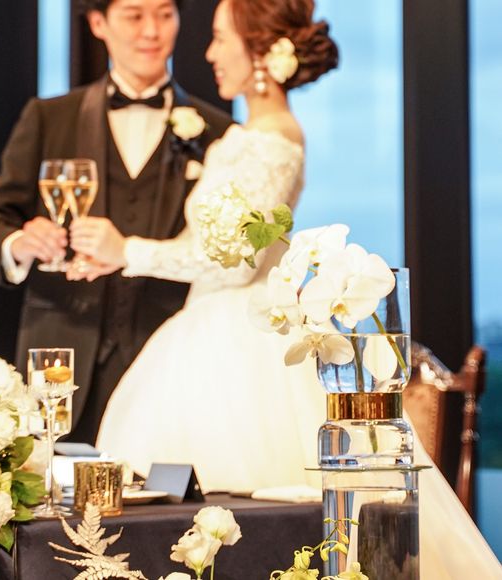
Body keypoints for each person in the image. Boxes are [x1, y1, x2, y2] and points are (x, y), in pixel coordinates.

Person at [73, 0, 502, 577]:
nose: (209, 52)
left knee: (246, 522)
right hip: (203, 331)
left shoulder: (273, 142)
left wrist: (127, 249)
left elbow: (232, 265)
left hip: (238, 342)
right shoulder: (246, 136)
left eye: (220, 37)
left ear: (261, 52)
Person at [0, 0, 232, 445]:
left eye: (164, 15)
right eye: (134, 15)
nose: (151, 31)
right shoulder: (49, 117)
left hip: (169, 359)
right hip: (62, 356)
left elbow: (223, 252)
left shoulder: (218, 131)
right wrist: (21, 242)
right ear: (98, 23)